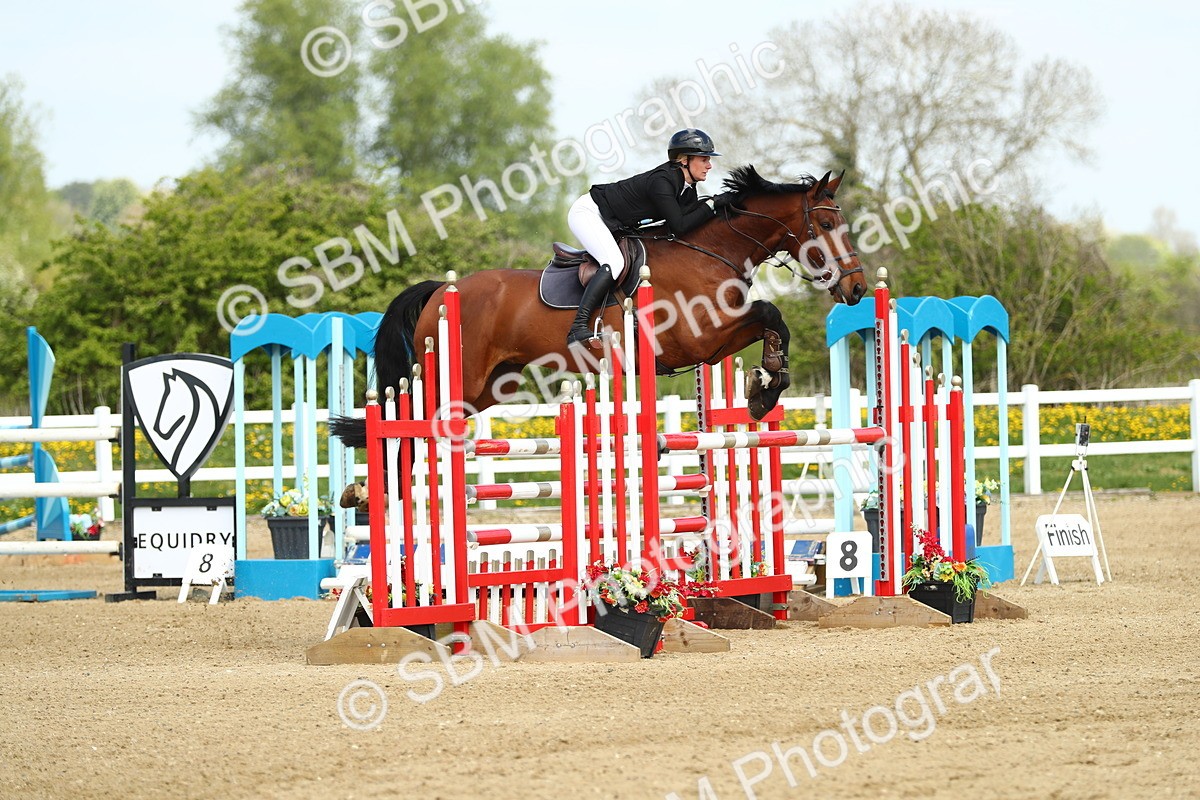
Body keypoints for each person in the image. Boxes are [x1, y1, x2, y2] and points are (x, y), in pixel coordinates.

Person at [564, 128, 736, 347]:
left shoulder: (688, 189)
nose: (709, 165)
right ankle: (577, 327)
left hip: (613, 221)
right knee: (614, 262)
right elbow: (680, 226)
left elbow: (689, 224)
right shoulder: (662, 181)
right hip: (589, 213)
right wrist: (712, 204)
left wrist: (721, 209)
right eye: (704, 159)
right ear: (684, 160)